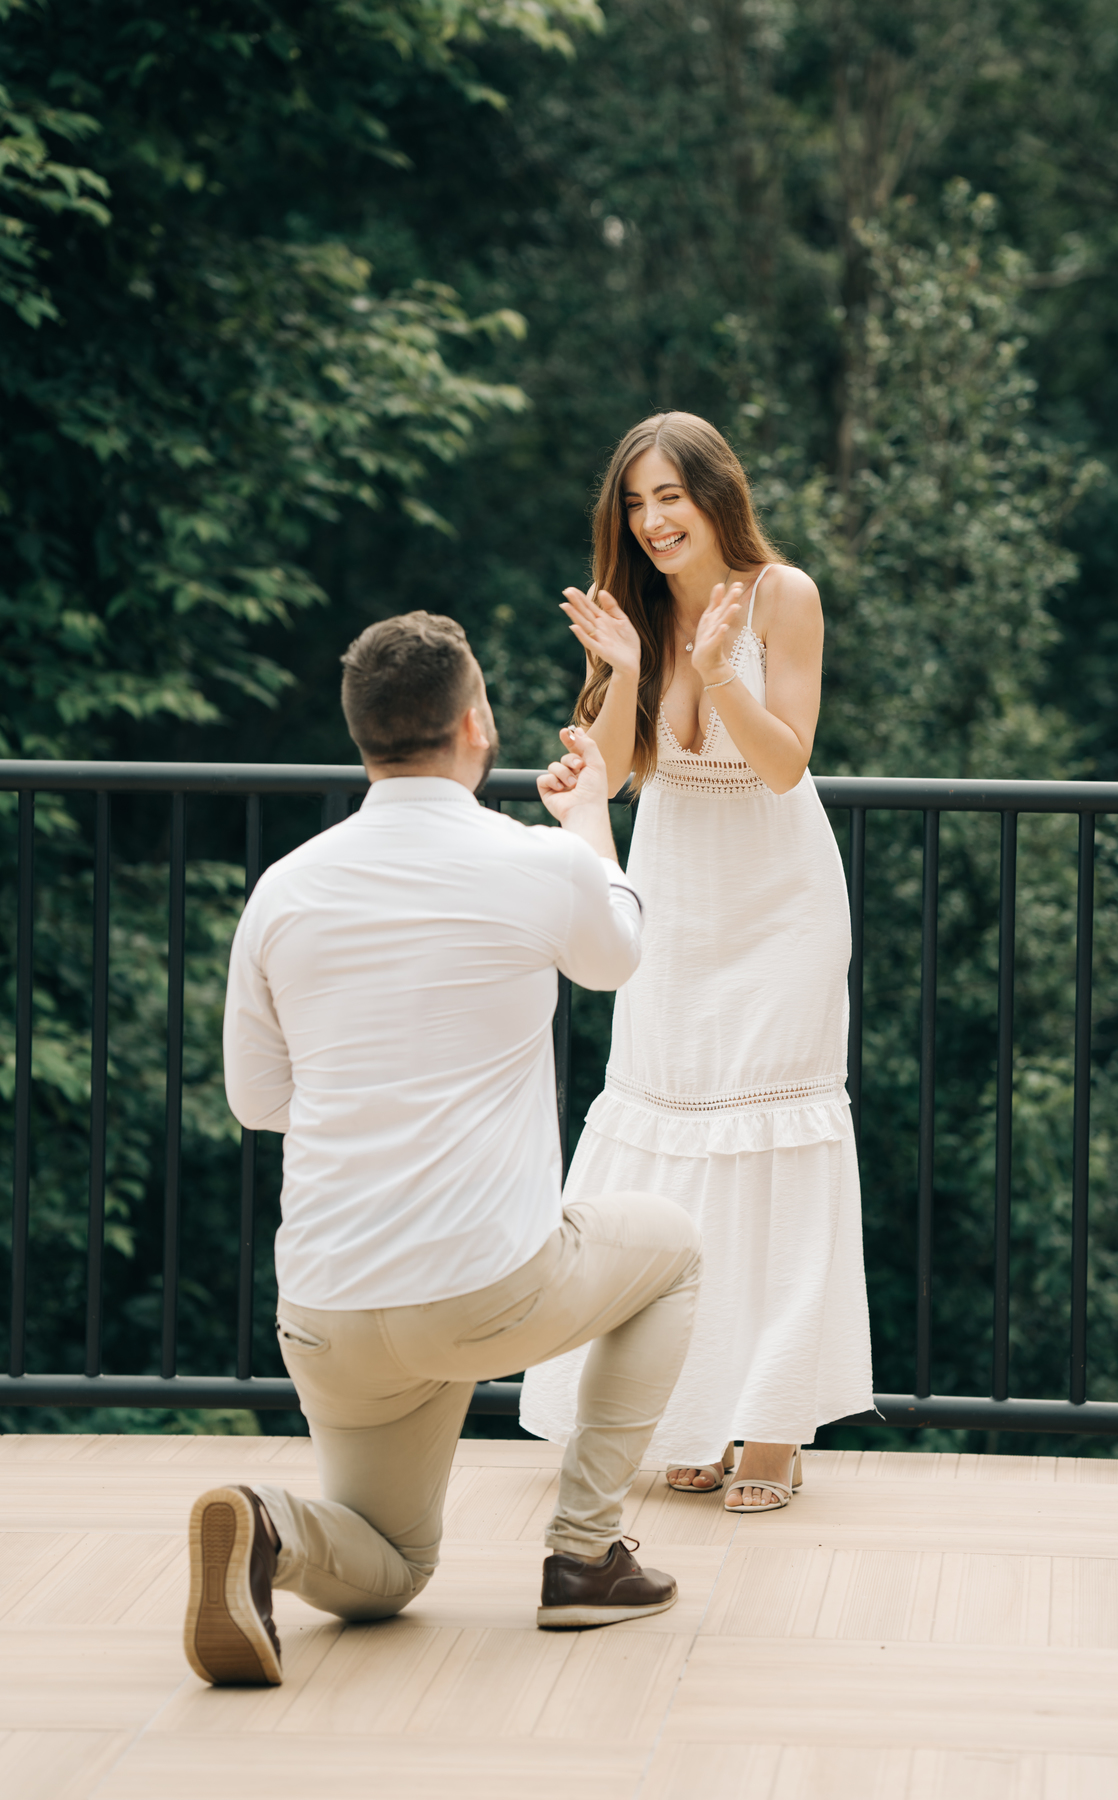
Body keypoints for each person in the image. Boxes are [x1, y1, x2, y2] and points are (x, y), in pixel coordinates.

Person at [183, 611, 703, 1687]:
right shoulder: (535, 863)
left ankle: (269, 1524)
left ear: (362, 737)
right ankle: (586, 1556)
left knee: (392, 1571)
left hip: (326, 1307)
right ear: (477, 724)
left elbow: (254, 1100)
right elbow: (618, 956)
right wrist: (590, 826)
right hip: (486, 1291)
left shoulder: (285, 889)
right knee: (675, 1251)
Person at [520, 413, 874, 1511]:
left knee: (770, 1148)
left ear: (716, 493)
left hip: (780, 906)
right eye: (635, 501)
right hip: (674, 901)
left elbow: (783, 765)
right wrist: (623, 667)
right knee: (667, 1137)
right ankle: (688, 1412)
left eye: (670, 495)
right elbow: (620, 774)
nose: (653, 520)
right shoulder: (635, 610)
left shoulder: (784, 596)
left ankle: (768, 1428)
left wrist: (721, 670)